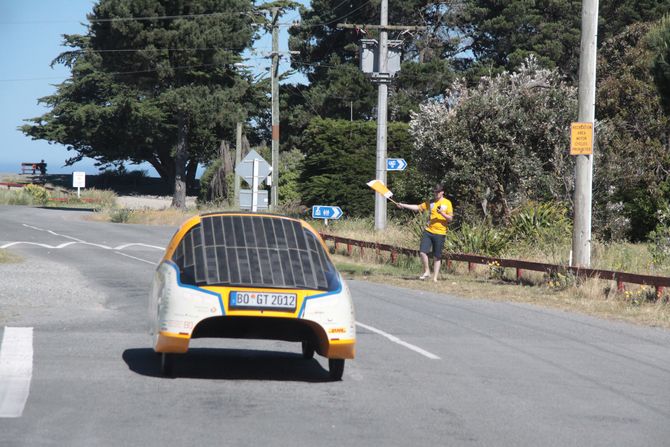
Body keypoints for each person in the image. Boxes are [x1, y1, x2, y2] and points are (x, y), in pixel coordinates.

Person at [396, 183, 453, 282]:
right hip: (429, 231)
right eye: (435, 192)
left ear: (442, 192)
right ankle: (427, 271)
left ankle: (435, 278)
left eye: (438, 192)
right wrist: (403, 205)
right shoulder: (430, 202)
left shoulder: (447, 203)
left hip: (440, 232)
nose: (436, 193)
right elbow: (418, 207)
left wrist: (442, 213)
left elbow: (450, 219)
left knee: (437, 256)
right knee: (422, 252)